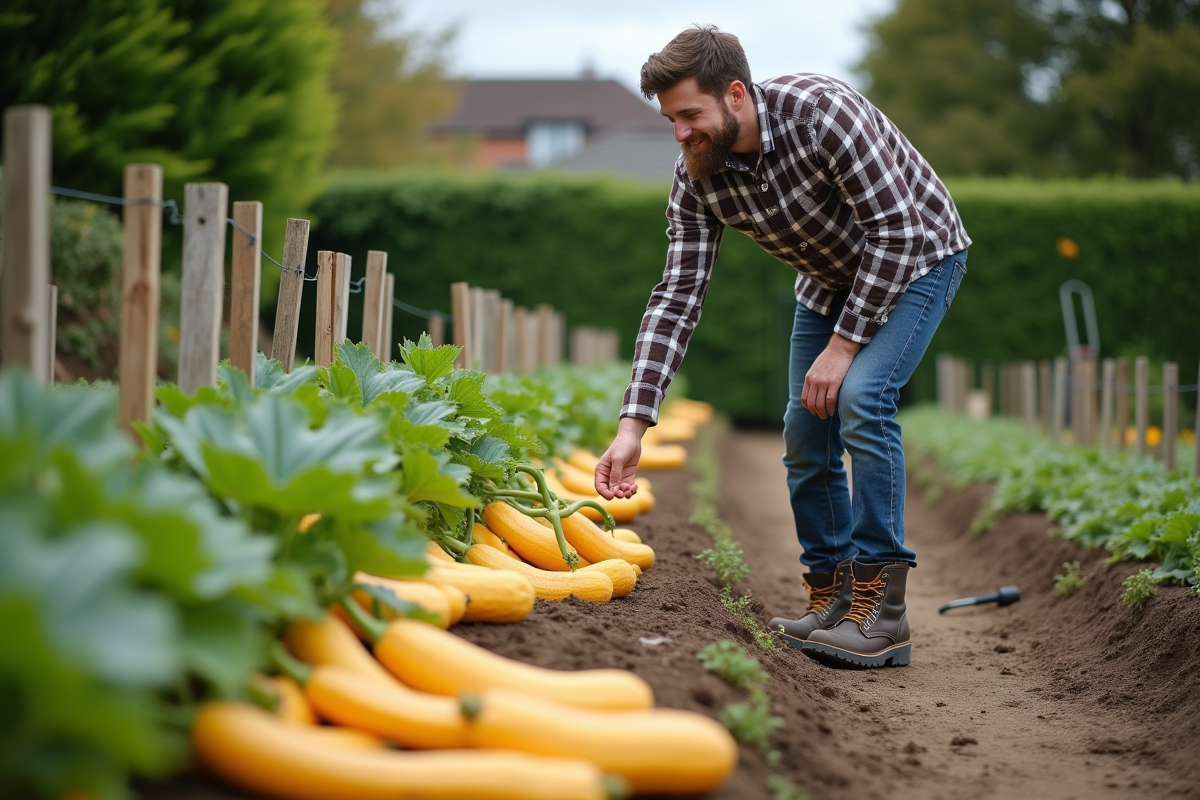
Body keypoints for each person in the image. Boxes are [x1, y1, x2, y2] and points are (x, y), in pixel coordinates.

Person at [594, 25, 970, 669]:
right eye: (670, 120)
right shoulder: (697, 178)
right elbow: (677, 296)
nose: (680, 133)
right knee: (802, 433)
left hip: (918, 259)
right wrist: (634, 425)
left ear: (735, 94)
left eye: (690, 115)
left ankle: (883, 616)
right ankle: (834, 599)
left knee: (861, 398)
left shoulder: (824, 115)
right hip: (829, 284)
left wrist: (846, 346)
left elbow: (897, 231)